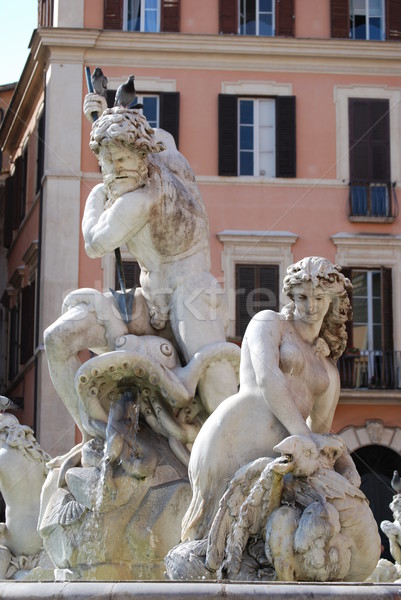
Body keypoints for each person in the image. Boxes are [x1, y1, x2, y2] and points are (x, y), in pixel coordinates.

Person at [44, 103, 238, 443]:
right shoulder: (167, 149)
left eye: (124, 160)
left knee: (215, 384)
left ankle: (238, 453)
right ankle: (97, 434)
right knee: (57, 339)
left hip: (191, 292)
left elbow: (94, 243)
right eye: (108, 161)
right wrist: (107, 112)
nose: (116, 170)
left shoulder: (139, 200)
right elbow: (159, 134)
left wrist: (99, 192)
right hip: (148, 300)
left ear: (142, 154)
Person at [181, 256, 361, 541]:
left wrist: (344, 461)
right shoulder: (268, 322)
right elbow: (268, 381)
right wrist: (306, 442)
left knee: (260, 546)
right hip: (232, 438)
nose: (310, 306)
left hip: (277, 460)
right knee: (206, 536)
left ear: (333, 301)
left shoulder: (328, 371)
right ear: (291, 295)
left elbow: (321, 430)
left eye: (319, 298)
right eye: (302, 297)